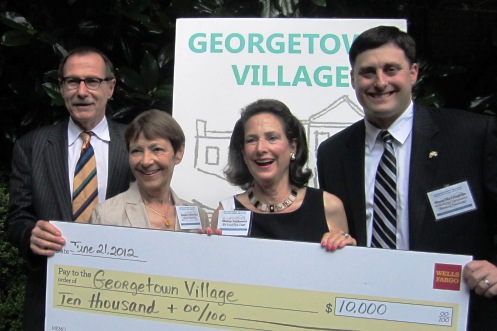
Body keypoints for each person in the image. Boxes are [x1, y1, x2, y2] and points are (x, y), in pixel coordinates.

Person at [316, 25, 497, 330]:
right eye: (368, 72)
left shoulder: (472, 135)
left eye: (391, 69)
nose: (380, 82)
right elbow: (339, 230)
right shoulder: (333, 153)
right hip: (367, 311)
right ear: (352, 80)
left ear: (413, 73)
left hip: (457, 311)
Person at [5, 47, 133, 331]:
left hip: (124, 296)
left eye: (92, 81)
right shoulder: (32, 146)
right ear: (61, 88)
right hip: (52, 295)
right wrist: (30, 234)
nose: (82, 91)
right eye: (72, 81)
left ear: (110, 88)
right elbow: (16, 219)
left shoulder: (136, 144)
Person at [211, 99, 356, 249]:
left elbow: (342, 269)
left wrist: (348, 250)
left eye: (272, 138)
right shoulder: (225, 211)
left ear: (293, 147)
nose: (261, 148)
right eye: (251, 140)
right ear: (243, 152)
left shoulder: (329, 206)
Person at [90, 109, 209, 229]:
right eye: (136, 151)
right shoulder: (105, 216)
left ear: (179, 152)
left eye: (157, 149)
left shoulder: (199, 218)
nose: (146, 161)